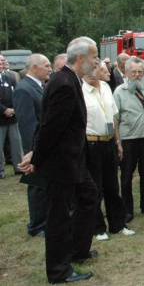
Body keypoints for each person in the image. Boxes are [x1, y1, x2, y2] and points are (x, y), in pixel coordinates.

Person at [18, 36, 99, 284]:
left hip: (73, 160)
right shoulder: (64, 83)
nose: (96, 62)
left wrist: (35, 152)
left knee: (89, 196)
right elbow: (51, 126)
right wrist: (36, 157)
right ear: (81, 58)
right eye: (94, 57)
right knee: (59, 216)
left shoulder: (69, 79)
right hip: (61, 163)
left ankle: (77, 250)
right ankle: (58, 271)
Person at [83, 62, 135, 240]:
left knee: (112, 186)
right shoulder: (80, 90)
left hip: (109, 142)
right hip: (91, 144)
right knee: (95, 187)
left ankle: (118, 224)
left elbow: (113, 116)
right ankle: (98, 228)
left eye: (94, 70)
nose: (91, 74)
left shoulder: (105, 87)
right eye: (88, 71)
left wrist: (118, 141)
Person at [114, 57, 144, 222]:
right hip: (129, 138)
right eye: (133, 71)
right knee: (127, 175)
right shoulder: (120, 91)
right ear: (127, 72)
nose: (137, 74)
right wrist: (118, 142)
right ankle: (127, 210)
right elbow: (115, 118)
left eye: (140, 72)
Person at [13, 54, 52, 237]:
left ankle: (45, 220)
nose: (50, 69)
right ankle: (37, 226)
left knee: (45, 184)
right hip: (35, 147)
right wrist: (32, 153)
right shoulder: (24, 89)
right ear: (34, 67)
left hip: (43, 145)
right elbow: (27, 124)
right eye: (46, 65)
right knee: (37, 185)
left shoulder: (38, 87)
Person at [0, 54, 24, 176]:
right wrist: (4, 110)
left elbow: (18, 93)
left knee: (16, 144)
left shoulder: (9, 78)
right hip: (0, 119)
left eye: (2, 61)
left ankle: (19, 167)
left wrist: (14, 109)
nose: (1, 64)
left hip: (13, 118)